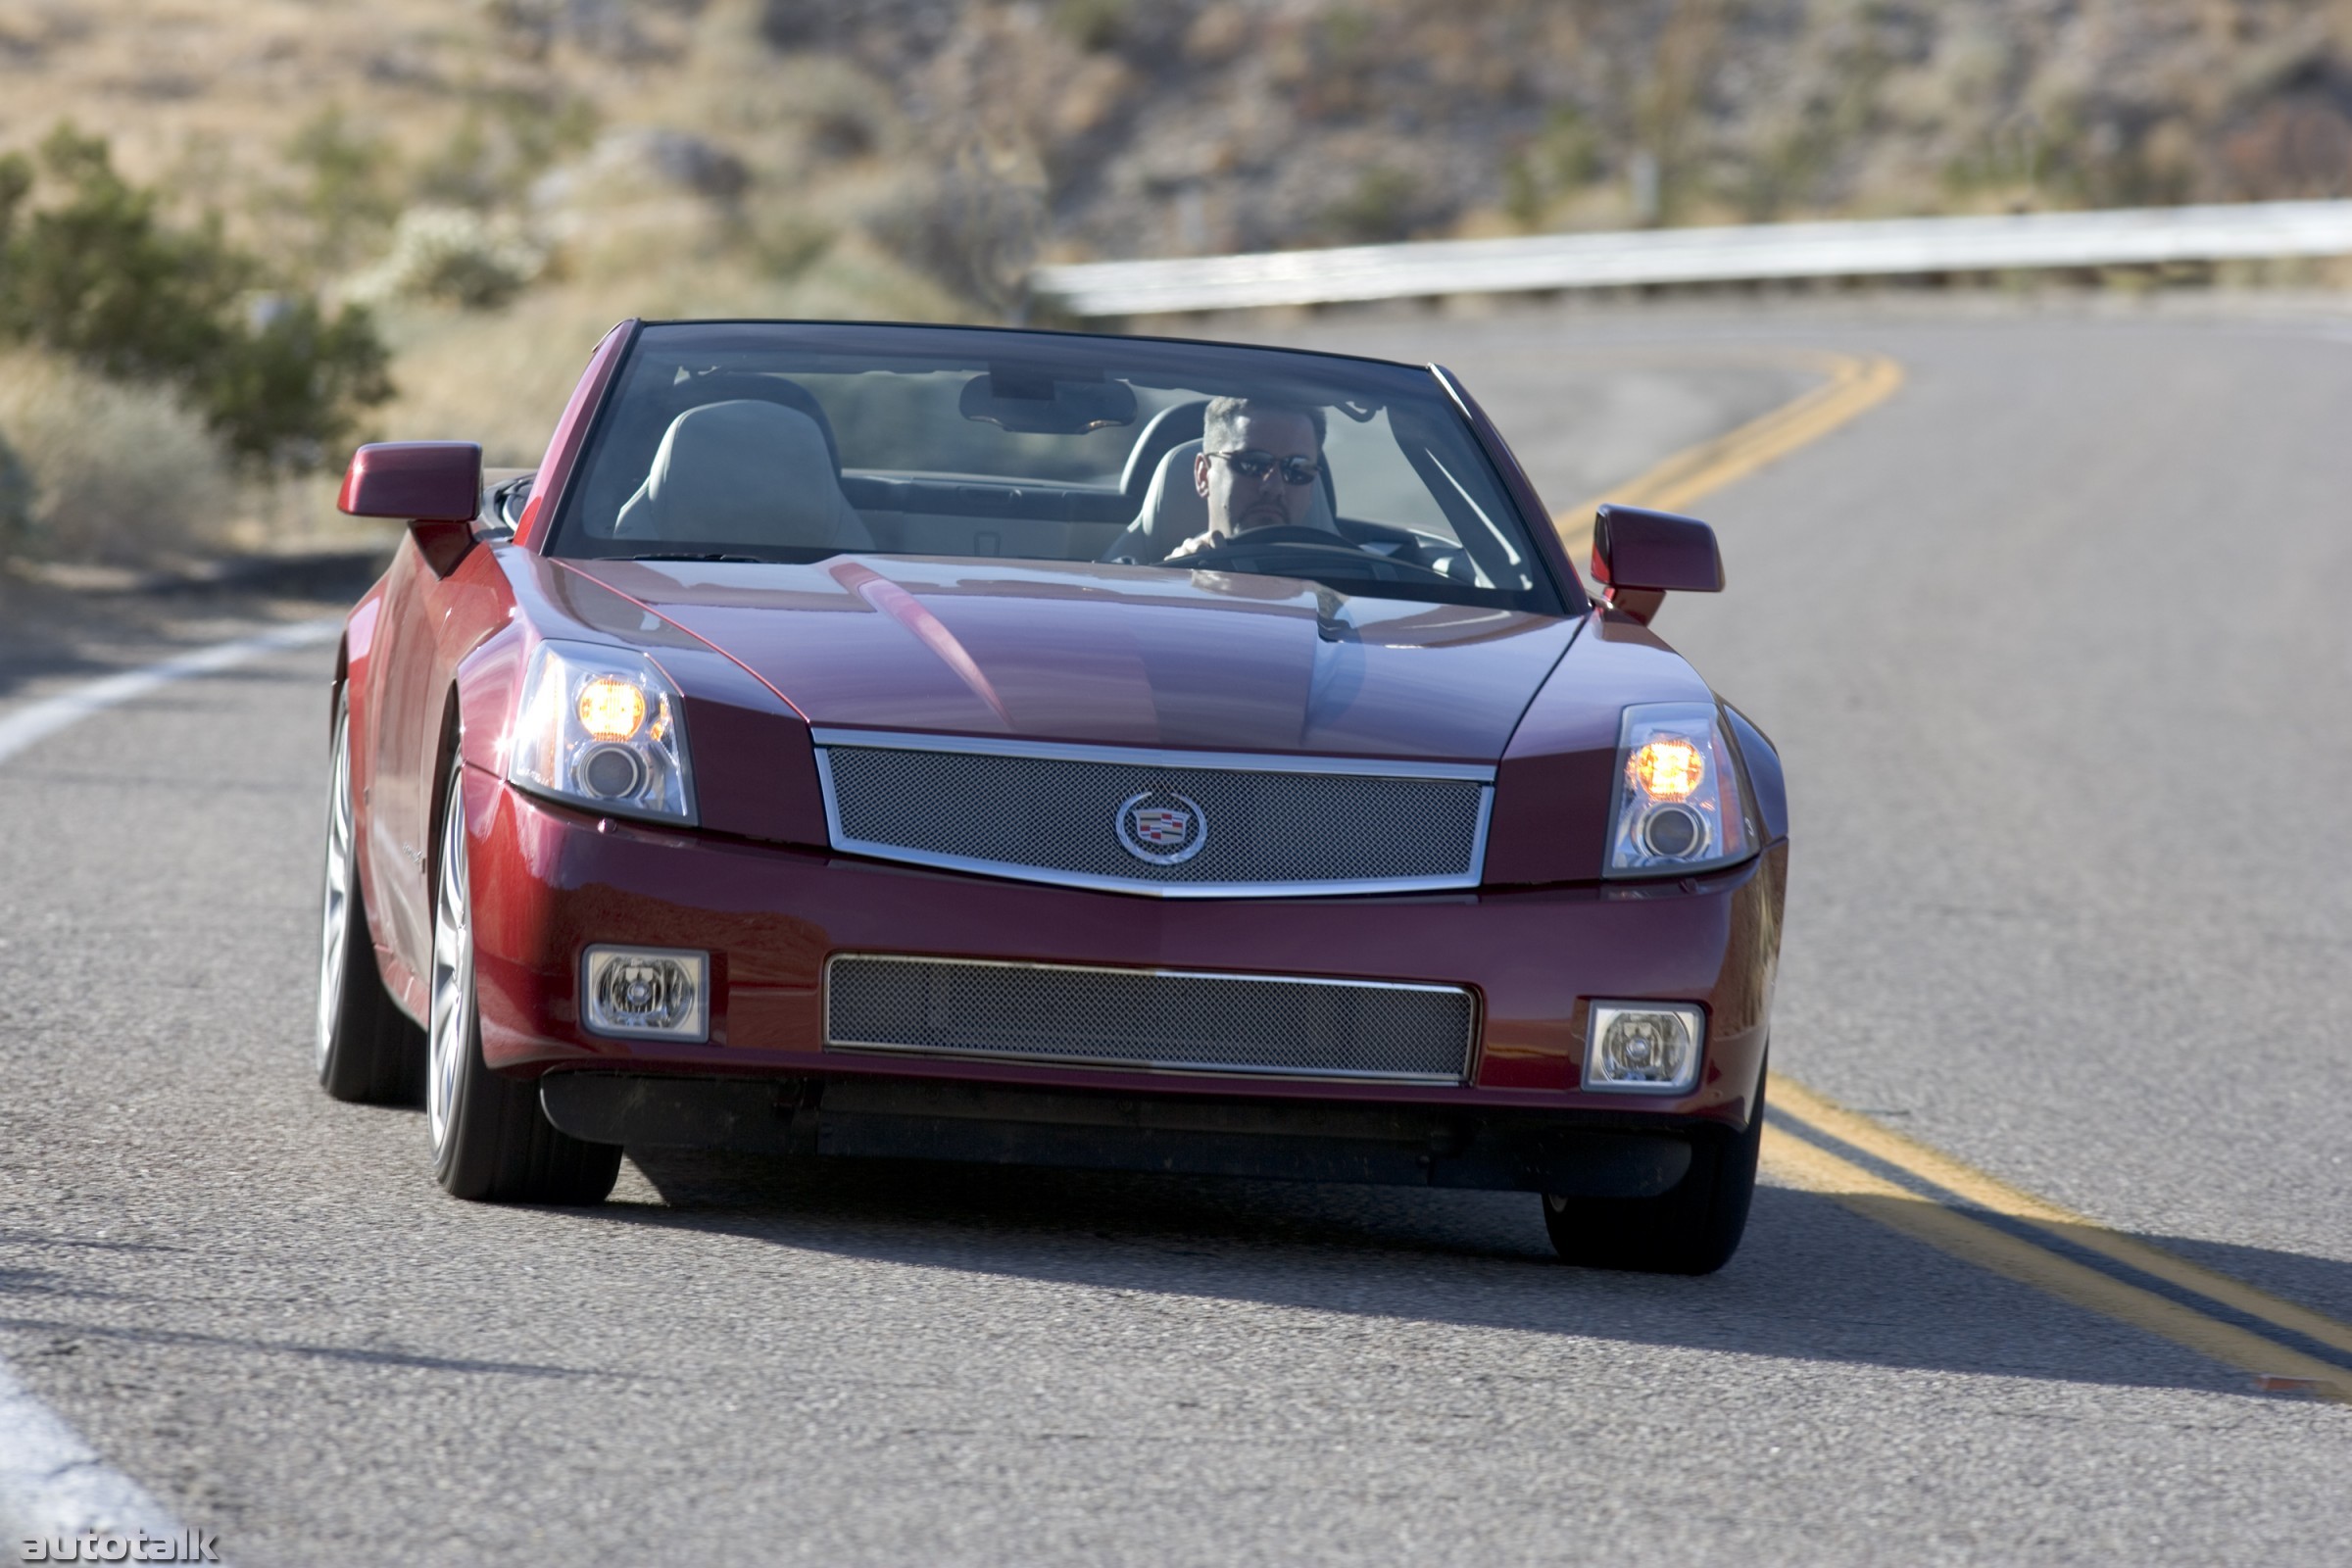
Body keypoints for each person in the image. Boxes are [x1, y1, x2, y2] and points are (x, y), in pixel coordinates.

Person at [1164, 396, 1327, 560]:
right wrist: (1181, 571)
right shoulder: (1172, 574)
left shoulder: (1336, 571)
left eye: (1296, 470)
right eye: (1253, 463)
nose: (1274, 488)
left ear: (1311, 486)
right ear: (1203, 475)